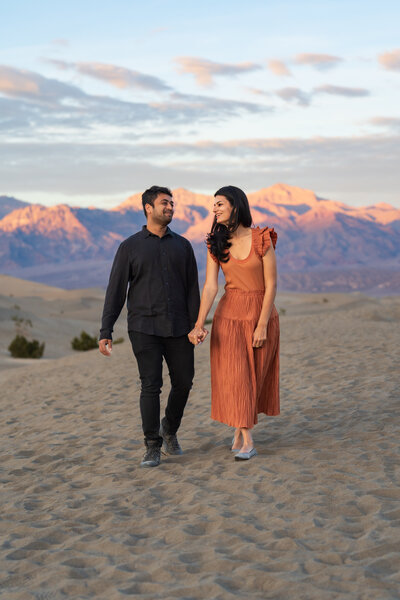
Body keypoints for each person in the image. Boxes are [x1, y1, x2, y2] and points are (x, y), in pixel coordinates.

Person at [99, 186, 200, 468]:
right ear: (148, 208)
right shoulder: (129, 247)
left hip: (180, 327)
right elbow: (115, 291)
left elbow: (193, 288)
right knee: (150, 385)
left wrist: (196, 324)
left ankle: (169, 428)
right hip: (144, 328)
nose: (170, 207)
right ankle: (152, 445)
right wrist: (106, 330)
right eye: (164, 203)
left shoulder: (182, 246)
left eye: (171, 203)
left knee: (184, 381)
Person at [188, 185, 279, 461]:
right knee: (238, 378)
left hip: (261, 315)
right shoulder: (214, 243)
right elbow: (210, 288)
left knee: (255, 378)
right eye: (213, 205)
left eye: (219, 204)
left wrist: (262, 324)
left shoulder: (262, 238)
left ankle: (239, 432)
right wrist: (199, 324)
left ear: (236, 206)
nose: (214, 209)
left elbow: (272, 283)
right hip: (229, 317)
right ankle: (247, 440)